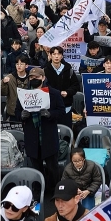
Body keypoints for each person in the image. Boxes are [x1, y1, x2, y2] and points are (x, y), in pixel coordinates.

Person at [16, 67, 66, 196]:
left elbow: (61, 112)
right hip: (32, 136)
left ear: (43, 78)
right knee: (35, 166)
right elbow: (16, 112)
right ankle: (38, 191)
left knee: (52, 167)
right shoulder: (23, 94)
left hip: (48, 136)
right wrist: (22, 115)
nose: (33, 80)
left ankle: (54, 191)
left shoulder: (54, 93)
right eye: (31, 78)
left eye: (36, 78)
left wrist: (50, 114)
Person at [43, 46, 80, 130]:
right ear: (50, 55)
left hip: (66, 106)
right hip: (50, 108)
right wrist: (55, 94)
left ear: (62, 56)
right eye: (54, 54)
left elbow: (75, 85)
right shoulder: (45, 70)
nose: (56, 56)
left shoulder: (68, 68)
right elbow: (43, 86)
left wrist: (67, 92)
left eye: (59, 54)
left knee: (66, 133)